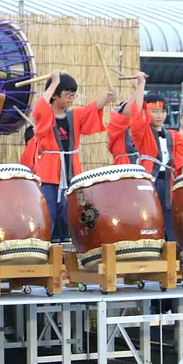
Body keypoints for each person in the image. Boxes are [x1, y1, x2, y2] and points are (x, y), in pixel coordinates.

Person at [32, 70, 114, 241]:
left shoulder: (74, 115)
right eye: (68, 95)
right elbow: (40, 107)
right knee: (49, 211)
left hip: (72, 170)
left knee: (71, 210)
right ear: (55, 95)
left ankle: (69, 245)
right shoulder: (46, 115)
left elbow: (92, 108)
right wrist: (54, 82)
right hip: (49, 171)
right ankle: (48, 246)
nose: (71, 99)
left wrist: (106, 99)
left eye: (73, 95)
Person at [130, 90, 183, 241]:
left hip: (169, 182)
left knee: (171, 217)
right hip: (149, 181)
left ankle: (175, 251)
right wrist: (140, 87)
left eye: (163, 111)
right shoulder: (142, 132)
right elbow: (136, 115)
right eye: (154, 111)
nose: (160, 115)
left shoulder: (174, 135)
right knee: (150, 216)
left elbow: (182, 156)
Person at [107, 72, 147, 165]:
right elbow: (133, 108)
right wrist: (141, 84)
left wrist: (138, 87)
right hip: (123, 170)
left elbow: (137, 109)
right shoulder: (116, 126)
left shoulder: (137, 128)